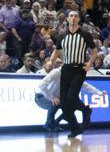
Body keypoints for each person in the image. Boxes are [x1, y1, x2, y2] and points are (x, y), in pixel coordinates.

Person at [49, 10, 97, 138]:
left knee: (71, 97)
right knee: (64, 103)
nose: (73, 18)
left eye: (76, 16)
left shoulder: (85, 34)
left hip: (79, 69)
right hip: (66, 69)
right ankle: (75, 128)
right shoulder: (62, 35)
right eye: (71, 16)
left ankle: (86, 110)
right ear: (67, 19)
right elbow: (57, 51)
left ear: (79, 19)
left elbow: (94, 49)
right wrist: (50, 61)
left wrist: (90, 63)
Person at [34, 63, 104, 133]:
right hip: (41, 96)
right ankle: (49, 124)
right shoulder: (56, 72)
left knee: (72, 105)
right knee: (55, 103)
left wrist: (99, 93)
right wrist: (52, 98)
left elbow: (84, 85)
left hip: (56, 98)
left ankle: (56, 122)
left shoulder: (71, 75)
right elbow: (41, 85)